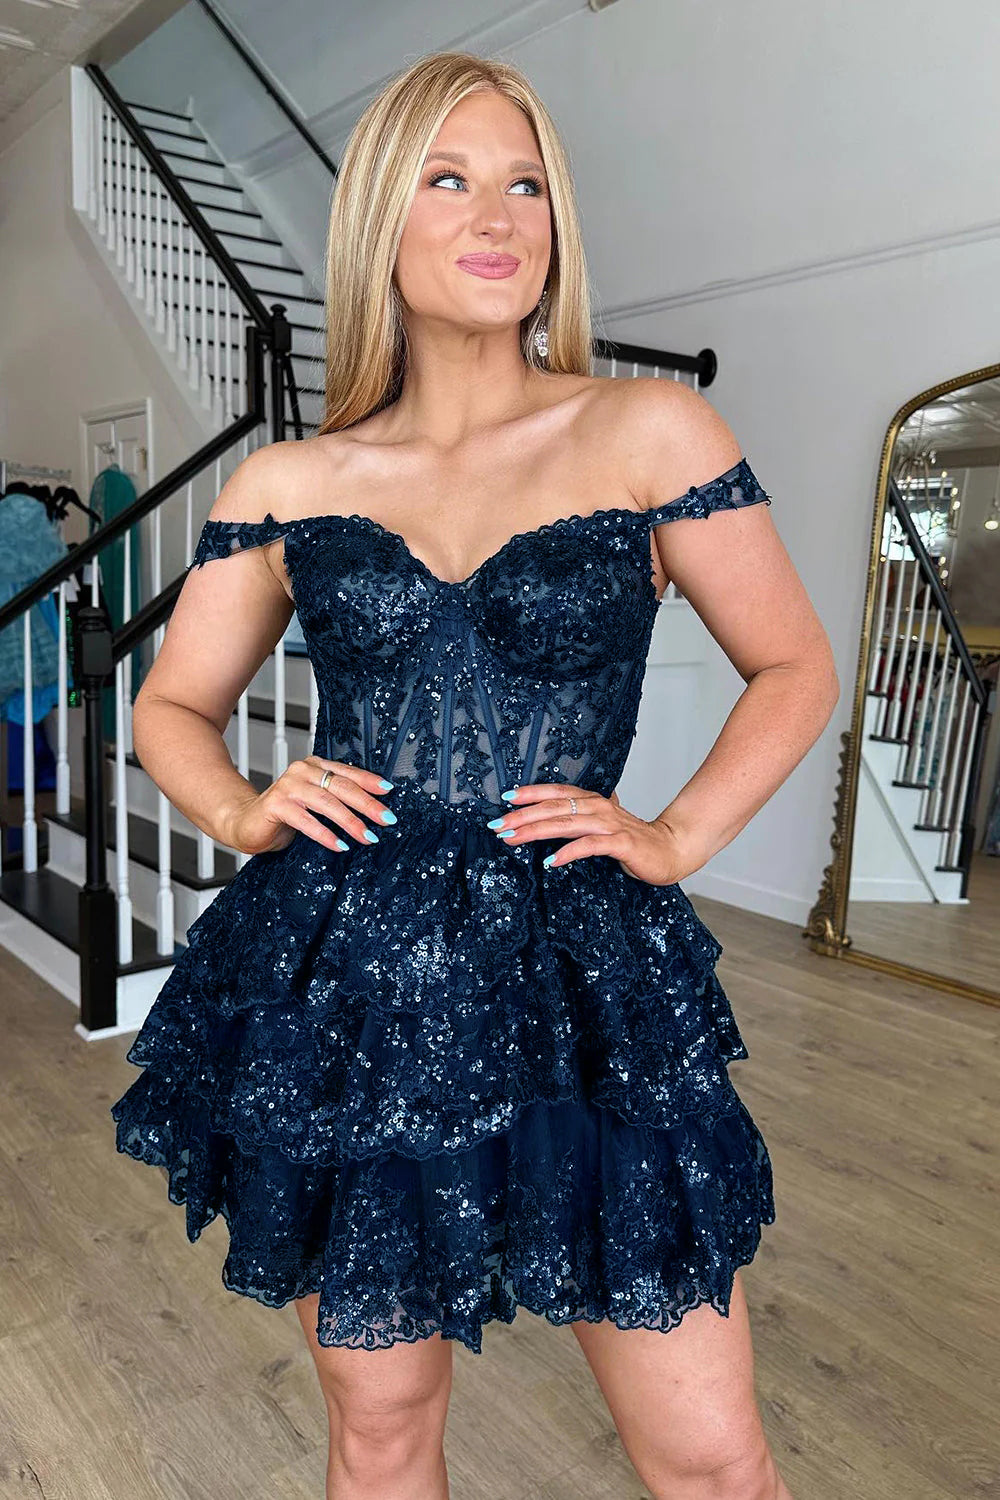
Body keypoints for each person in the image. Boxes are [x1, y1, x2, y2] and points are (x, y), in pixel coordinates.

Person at [110, 49, 837, 1500]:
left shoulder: (649, 431)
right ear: (382, 217)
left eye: (527, 185)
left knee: (710, 1458)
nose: (497, 216)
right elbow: (174, 703)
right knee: (381, 1433)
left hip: (580, 973)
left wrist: (679, 834)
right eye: (449, 180)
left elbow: (795, 664)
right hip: (347, 983)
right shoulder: (289, 484)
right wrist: (241, 808)